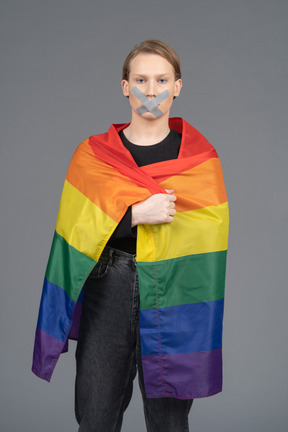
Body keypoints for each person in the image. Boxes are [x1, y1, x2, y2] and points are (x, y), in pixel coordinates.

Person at [32, 39, 229, 432]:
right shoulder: (92, 155)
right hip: (110, 283)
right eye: (141, 79)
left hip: (176, 288)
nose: (151, 91)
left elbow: (209, 237)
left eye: (161, 80)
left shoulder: (200, 159)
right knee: (97, 411)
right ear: (125, 86)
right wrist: (134, 215)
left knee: (170, 419)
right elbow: (75, 232)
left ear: (178, 86)